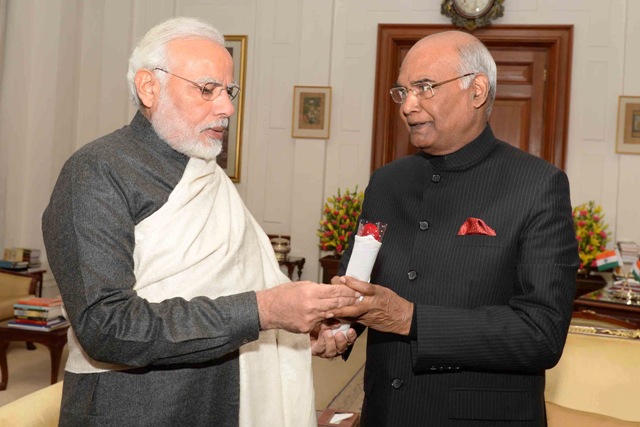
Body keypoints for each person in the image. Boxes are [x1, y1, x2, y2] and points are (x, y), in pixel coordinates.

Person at [42, 17, 358, 427]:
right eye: (207, 89)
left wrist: (296, 330)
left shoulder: (207, 174)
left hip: (227, 400)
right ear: (149, 87)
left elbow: (235, 287)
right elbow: (106, 327)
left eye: (229, 91)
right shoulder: (96, 172)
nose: (227, 108)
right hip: (136, 409)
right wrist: (264, 311)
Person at [327, 30, 579, 426]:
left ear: (476, 90)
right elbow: (358, 280)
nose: (408, 106)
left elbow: (541, 333)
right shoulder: (387, 182)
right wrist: (339, 327)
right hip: (384, 413)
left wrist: (412, 320)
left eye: (424, 88)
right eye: (402, 91)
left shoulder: (537, 185)